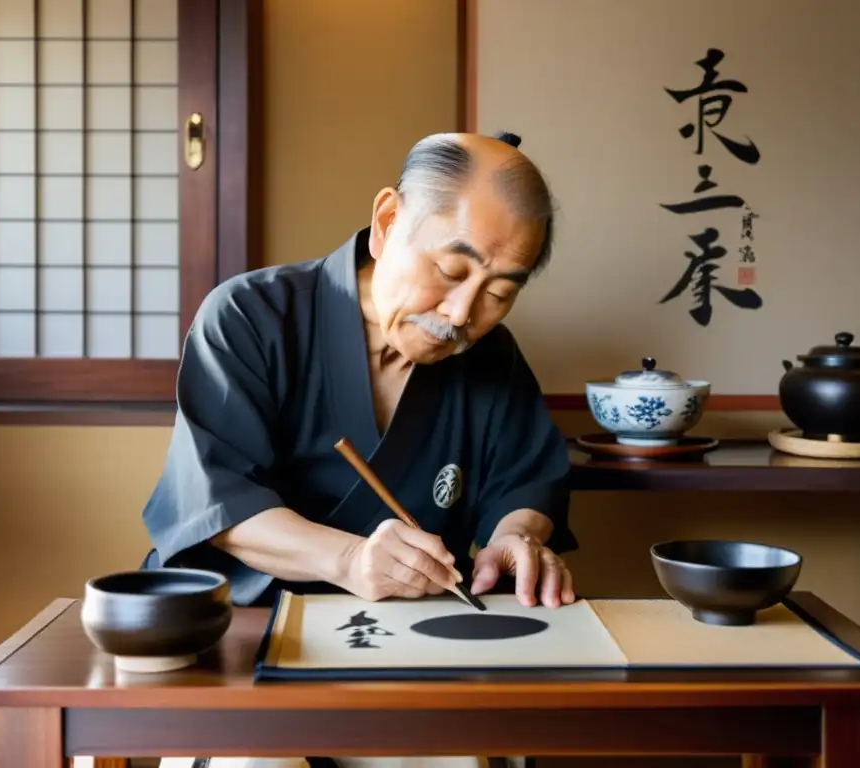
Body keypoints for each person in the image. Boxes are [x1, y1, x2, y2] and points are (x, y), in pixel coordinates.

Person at [140, 130, 578, 768]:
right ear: (388, 220)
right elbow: (218, 502)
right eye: (451, 271)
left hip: (415, 644)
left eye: (499, 294)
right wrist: (347, 559)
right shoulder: (249, 317)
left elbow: (524, 482)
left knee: (450, 761)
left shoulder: (493, 360)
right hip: (246, 635)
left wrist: (516, 538)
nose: (461, 313)